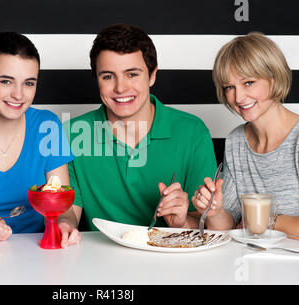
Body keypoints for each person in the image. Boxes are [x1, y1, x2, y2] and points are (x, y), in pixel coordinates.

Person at [60, 24, 217, 232]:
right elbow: (68, 210)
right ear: (96, 80)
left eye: (132, 74)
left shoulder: (193, 132)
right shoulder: (70, 134)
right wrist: (63, 224)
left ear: (152, 75)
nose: (120, 88)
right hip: (97, 259)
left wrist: (181, 221)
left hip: (171, 257)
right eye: (107, 76)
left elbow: (207, 224)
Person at [0, 32, 81, 245]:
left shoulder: (47, 126)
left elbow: (63, 208)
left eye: (29, 83)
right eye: (6, 81)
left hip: (41, 253)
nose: (18, 95)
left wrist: (65, 224)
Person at [192, 32, 299, 243]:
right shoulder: (236, 141)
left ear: (274, 78)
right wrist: (214, 210)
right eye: (229, 87)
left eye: (248, 82)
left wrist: (265, 222)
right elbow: (228, 225)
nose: (238, 97)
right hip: (249, 267)